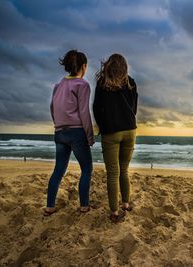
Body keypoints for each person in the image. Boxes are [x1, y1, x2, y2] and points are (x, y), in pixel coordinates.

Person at [44, 50, 95, 216]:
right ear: (83, 66)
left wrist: (58, 125)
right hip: (77, 132)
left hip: (60, 132)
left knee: (58, 170)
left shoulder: (58, 85)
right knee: (86, 168)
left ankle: (50, 206)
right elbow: (84, 112)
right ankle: (84, 206)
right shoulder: (82, 84)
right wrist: (89, 135)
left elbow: (52, 108)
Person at [93, 53, 138, 223]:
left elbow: (97, 109)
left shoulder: (102, 83)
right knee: (124, 170)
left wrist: (103, 126)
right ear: (124, 67)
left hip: (111, 132)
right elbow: (134, 107)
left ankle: (114, 212)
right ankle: (125, 204)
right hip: (129, 130)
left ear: (108, 66)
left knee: (113, 173)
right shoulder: (131, 82)